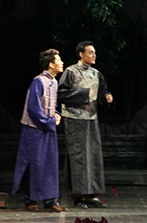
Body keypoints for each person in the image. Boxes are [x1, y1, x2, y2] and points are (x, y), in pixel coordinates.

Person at [57, 41, 113, 209]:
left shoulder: (97, 74)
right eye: (90, 52)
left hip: (91, 118)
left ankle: (93, 194)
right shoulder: (70, 72)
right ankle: (80, 196)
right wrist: (83, 94)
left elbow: (102, 93)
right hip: (74, 118)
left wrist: (107, 97)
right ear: (81, 54)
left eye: (94, 52)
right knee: (79, 157)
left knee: (93, 156)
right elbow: (61, 94)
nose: (94, 55)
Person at [12, 49, 67, 212]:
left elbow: (52, 104)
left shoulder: (54, 82)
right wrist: (49, 122)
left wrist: (56, 115)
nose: (62, 63)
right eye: (59, 60)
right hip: (34, 129)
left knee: (50, 164)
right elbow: (33, 108)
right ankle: (31, 199)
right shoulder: (38, 82)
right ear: (51, 64)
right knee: (35, 164)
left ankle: (51, 200)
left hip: (47, 128)